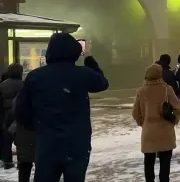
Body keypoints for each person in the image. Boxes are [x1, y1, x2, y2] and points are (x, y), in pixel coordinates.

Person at [14, 32, 109, 182]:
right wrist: (91, 63)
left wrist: (39, 127)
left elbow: (21, 111)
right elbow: (102, 84)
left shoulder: (36, 76)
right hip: (77, 144)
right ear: (75, 52)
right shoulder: (81, 74)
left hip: (47, 144)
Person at [132, 63, 180, 182]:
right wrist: (174, 120)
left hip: (149, 131)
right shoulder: (167, 89)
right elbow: (178, 107)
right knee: (165, 164)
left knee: (148, 162)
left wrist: (143, 122)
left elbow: (135, 112)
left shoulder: (141, 91)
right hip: (165, 130)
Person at [0, 63, 24, 169]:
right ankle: (21, 160)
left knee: (6, 139)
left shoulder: (2, 85)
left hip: (6, 115)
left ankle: (7, 161)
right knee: (21, 140)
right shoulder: (24, 84)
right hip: (19, 115)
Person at [11, 96, 36, 182]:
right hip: (38, 134)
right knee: (42, 167)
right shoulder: (44, 97)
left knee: (24, 165)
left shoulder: (19, 98)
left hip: (23, 134)